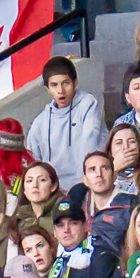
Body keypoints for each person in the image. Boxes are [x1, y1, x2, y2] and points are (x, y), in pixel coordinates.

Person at [27, 58, 106, 192]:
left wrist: (84, 182)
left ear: (75, 82)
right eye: (54, 85)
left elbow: (90, 140)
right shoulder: (40, 122)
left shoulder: (88, 104)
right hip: (53, 191)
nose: (61, 90)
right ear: (47, 89)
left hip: (86, 184)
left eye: (66, 83)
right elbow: (33, 160)